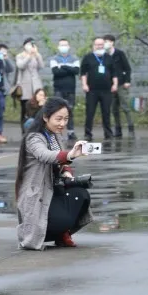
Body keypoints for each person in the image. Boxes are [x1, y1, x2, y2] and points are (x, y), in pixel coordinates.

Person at [15, 97, 94, 250]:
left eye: (66, 119)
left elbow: (61, 162)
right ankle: (52, 232)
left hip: (55, 189)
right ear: (45, 117)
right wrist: (70, 155)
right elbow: (45, 156)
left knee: (81, 194)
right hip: (38, 193)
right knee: (62, 218)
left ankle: (63, 233)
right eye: (58, 119)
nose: (62, 124)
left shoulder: (56, 136)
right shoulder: (33, 138)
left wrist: (67, 172)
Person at [80, 37, 117, 141]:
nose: (99, 46)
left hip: (106, 90)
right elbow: (83, 73)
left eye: (101, 44)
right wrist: (84, 84)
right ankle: (88, 134)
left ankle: (108, 133)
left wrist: (115, 84)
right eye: (97, 44)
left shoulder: (109, 57)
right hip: (92, 90)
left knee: (106, 112)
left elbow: (114, 73)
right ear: (93, 46)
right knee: (90, 112)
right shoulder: (88, 57)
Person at [104, 35, 134, 137]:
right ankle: (118, 129)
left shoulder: (119, 54)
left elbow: (127, 68)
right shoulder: (104, 55)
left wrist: (127, 81)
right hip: (110, 85)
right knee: (114, 108)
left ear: (112, 42)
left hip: (121, 84)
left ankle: (131, 128)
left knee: (125, 107)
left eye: (107, 41)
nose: (105, 44)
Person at [50, 39, 80, 140]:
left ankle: (71, 132)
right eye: (61, 45)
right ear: (58, 46)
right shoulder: (54, 58)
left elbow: (76, 71)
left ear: (69, 46)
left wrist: (63, 67)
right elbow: (56, 72)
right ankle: (57, 132)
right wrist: (69, 69)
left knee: (69, 111)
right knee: (58, 112)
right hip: (58, 89)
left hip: (70, 89)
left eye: (65, 45)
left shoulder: (74, 58)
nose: (63, 47)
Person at [15, 38, 45, 134]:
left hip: (36, 85)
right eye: (28, 44)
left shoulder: (36, 55)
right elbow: (21, 66)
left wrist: (37, 54)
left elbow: (41, 66)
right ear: (24, 46)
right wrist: (28, 56)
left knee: (37, 107)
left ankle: (37, 128)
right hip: (24, 85)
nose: (31, 46)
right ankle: (24, 129)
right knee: (25, 108)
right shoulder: (20, 56)